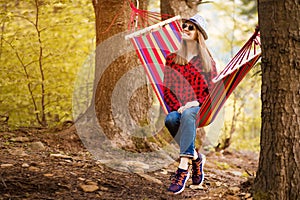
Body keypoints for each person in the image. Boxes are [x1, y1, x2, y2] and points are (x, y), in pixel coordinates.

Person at [163, 14, 218, 195]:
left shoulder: (207, 62)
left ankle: (182, 168)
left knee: (189, 114)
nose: (185, 29)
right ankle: (195, 157)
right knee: (171, 119)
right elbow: (167, 89)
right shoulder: (172, 59)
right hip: (180, 108)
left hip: (201, 108)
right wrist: (178, 106)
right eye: (184, 26)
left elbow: (213, 91)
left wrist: (196, 102)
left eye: (190, 27)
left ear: (198, 34)